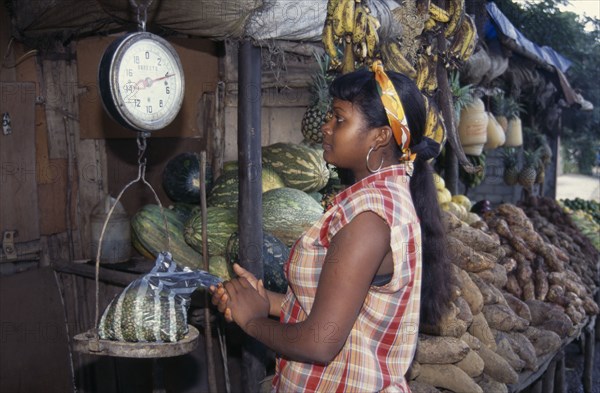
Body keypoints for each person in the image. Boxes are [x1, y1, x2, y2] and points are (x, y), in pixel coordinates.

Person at [210, 60, 451, 392]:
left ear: (380, 136)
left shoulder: (369, 219)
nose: (326, 127)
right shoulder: (374, 200)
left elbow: (319, 342)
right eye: (329, 117)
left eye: (339, 119)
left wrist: (252, 321)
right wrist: (265, 300)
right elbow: (343, 309)